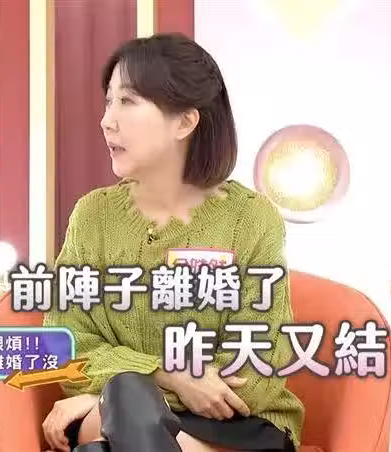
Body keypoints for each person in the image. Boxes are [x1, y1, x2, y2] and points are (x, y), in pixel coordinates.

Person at [42, 33, 304, 452]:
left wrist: (112, 394)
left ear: (184, 122)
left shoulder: (252, 219)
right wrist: (165, 374)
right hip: (118, 414)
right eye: (108, 102)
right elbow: (66, 343)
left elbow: (256, 373)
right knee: (125, 405)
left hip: (233, 427)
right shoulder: (92, 216)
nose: (107, 120)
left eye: (128, 102)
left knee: (113, 428)